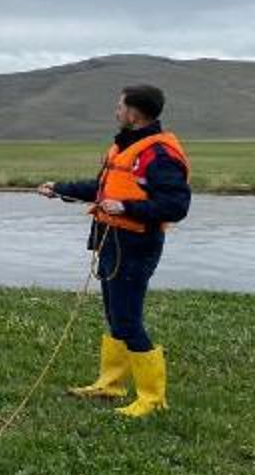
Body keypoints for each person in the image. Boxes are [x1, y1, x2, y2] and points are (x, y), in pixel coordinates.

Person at [38, 84, 191, 418]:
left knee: (128, 318)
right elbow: (101, 188)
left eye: (120, 106)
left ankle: (152, 399)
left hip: (136, 246)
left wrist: (126, 207)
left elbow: (176, 205)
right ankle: (112, 384)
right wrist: (59, 189)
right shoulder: (124, 147)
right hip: (111, 239)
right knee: (115, 315)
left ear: (134, 113)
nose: (116, 111)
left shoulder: (158, 154)